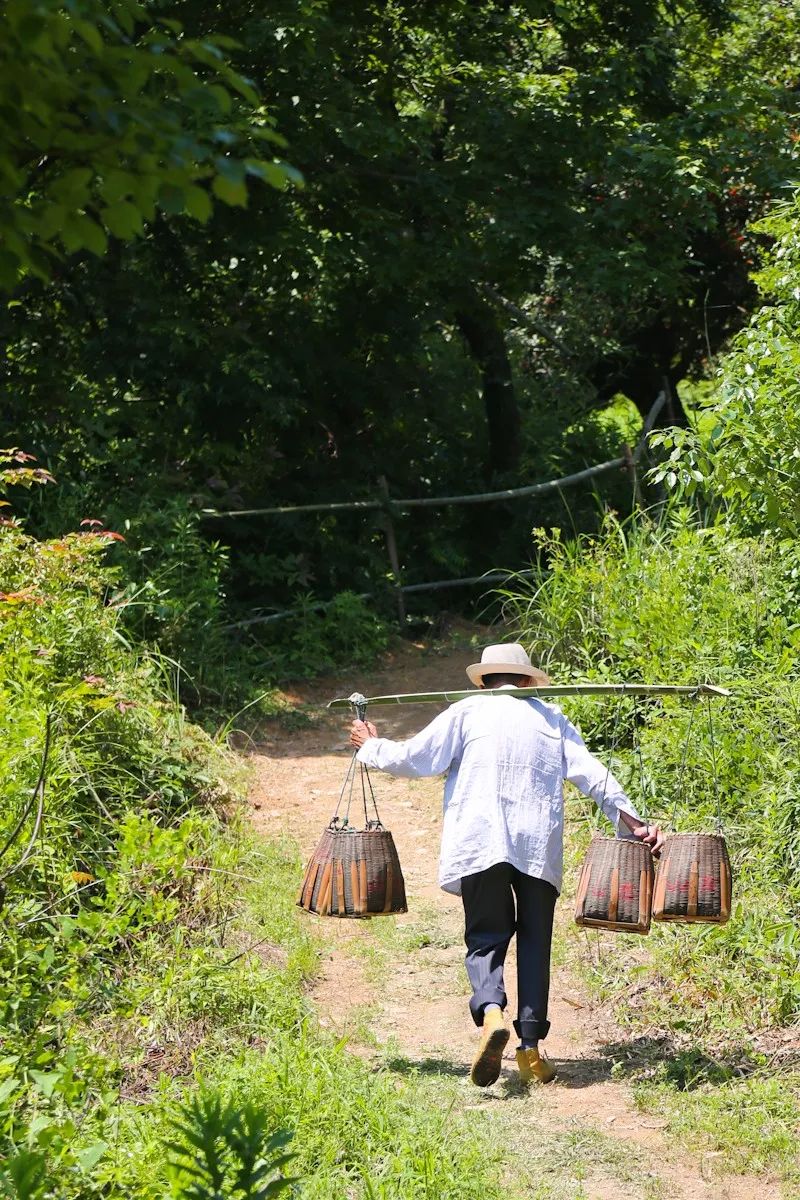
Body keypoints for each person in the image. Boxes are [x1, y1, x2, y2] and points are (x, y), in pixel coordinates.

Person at [349, 642, 663, 1089]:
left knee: (485, 936)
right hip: (537, 847)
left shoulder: (467, 712)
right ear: (527, 681)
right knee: (536, 942)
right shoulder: (551, 718)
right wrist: (635, 825)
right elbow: (594, 775)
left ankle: (492, 1012)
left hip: (480, 843)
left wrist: (372, 746)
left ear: (487, 680)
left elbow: (417, 759)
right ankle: (530, 1050)